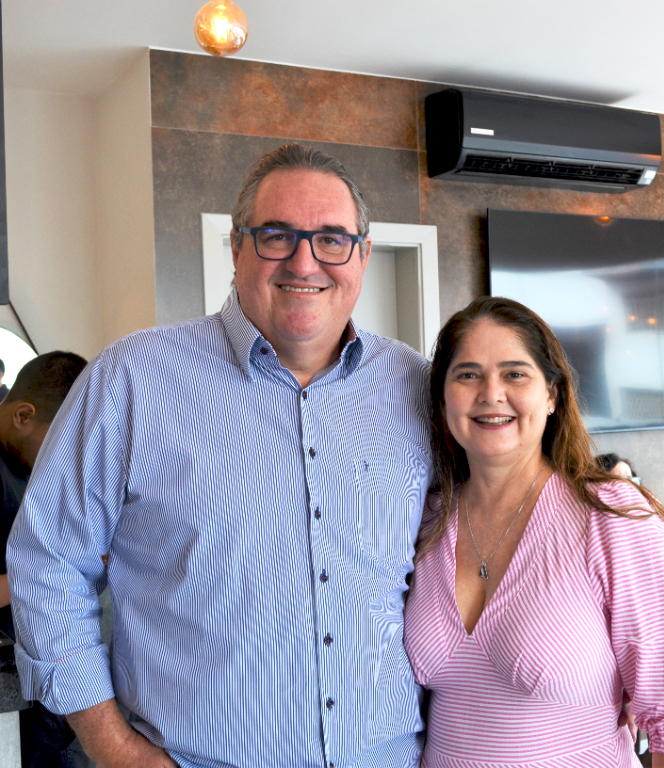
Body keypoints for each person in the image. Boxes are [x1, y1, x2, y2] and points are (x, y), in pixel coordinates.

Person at [7, 144, 431, 768]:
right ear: (235, 248)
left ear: (362, 255)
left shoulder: (418, 387)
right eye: (276, 235)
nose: (305, 259)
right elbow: (47, 563)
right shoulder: (132, 379)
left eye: (333, 239)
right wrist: (115, 750)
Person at [404, 296, 664, 767]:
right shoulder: (424, 519)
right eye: (468, 374)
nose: (491, 393)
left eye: (515, 373)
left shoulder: (612, 516)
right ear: (443, 398)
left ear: (552, 395)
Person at [0, 351, 88, 768]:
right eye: (57, 444)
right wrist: (45, 573)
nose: (63, 462)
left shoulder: (28, 466)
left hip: (47, 686)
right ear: (22, 416)